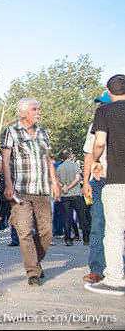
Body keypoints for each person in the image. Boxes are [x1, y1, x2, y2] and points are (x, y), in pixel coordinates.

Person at [2, 98, 60, 287]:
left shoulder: (43, 133)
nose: (39, 112)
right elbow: (5, 160)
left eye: (38, 109)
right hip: (21, 191)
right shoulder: (10, 132)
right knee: (25, 231)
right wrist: (8, 185)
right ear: (22, 112)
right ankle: (32, 272)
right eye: (34, 109)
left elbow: (48, 159)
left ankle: (35, 262)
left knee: (47, 233)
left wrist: (54, 181)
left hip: (42, 190)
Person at [84, 74, 125, 297]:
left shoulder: (104, 111)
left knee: (114, 231)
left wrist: (97, 160)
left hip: (117, 179)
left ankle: (115, 279)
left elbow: (99, 142)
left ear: (109, 93)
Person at [82, 91, 110, 284]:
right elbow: (89, 154)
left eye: (104, 104)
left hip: (117, 178)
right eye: (99, 104)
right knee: (98, 225)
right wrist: (86, 181)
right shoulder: (96, 124)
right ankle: (97, 268)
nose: (100, 107)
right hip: (100, 179)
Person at [56, 148, 89, 246]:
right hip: (76, 194)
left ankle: (68, 239)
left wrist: (64, 186)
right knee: (82, 217)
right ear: (70, 156)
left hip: (65, 195)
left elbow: (56, 180)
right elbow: (78, 178)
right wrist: (70, 186)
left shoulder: (59, 167)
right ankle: (86, 238)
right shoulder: (75, 165)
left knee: (66, 218)